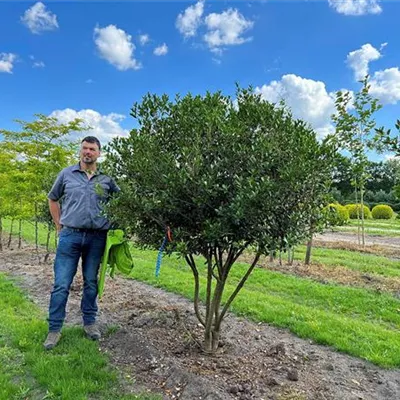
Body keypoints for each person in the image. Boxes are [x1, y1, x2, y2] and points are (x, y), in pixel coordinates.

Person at [44, 136, 120, 350]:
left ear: (99, 153)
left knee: (90, 282)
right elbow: (53, 198)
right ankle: (54, 329)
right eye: (85, 148)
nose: (88, 152)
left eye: (92, 149)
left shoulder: (107, 179)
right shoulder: (66, 174)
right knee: (61, 284)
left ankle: (90, 323)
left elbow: (122, 202)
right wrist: (59, 225)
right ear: (81, 151)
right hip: (70, 236)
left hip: (97, 238)